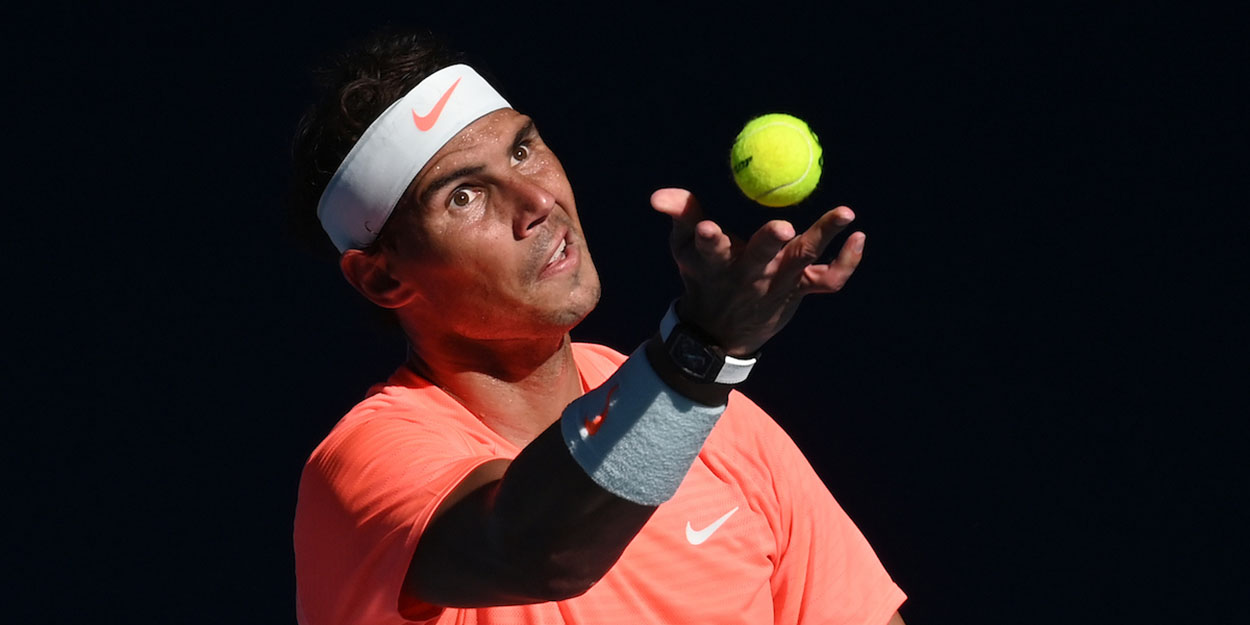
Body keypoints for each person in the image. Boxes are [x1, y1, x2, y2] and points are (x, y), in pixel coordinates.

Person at [290, 28, 907, 625]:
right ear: (382, 280)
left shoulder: (720, 428)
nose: (535, 201)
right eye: (463, 196)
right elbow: (539, 550)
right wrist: (697, 358)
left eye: (523, 150)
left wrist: (694, 370)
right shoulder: (361, 465)